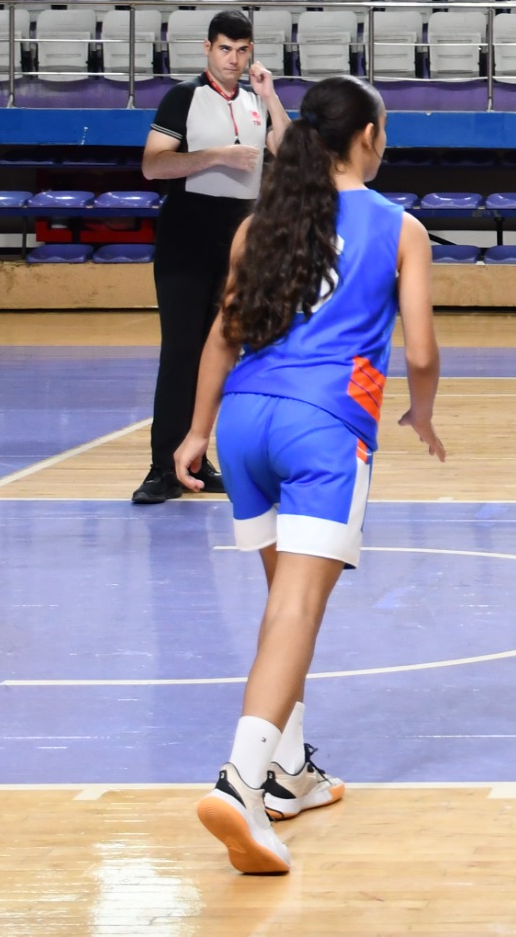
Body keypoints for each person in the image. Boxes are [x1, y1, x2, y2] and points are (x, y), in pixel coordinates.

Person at [175, 76, 445, 875]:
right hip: (324, 426)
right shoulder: (401, 227)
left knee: (279, 606)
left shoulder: (261, 224)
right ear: (365, 137)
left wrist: (195, 432)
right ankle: (240, 781)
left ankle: (290, 772)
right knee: (297, 608)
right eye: (384, 129)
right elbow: (423, 352)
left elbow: (224, 335)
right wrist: (421, 411)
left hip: (245, 421)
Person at [137, 10, 287, 505]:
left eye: (243, 50)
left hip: (238, 241)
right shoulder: (184, 97)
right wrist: (217, 156)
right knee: (180, 353)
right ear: (208, 48)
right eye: (225, 49)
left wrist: (270, 96)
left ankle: (196, 460)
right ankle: (162, 467)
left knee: (219, 356)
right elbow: (153, 165)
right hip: (185, 239)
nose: (235, 59)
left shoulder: (254, 100)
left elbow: (289, 155)